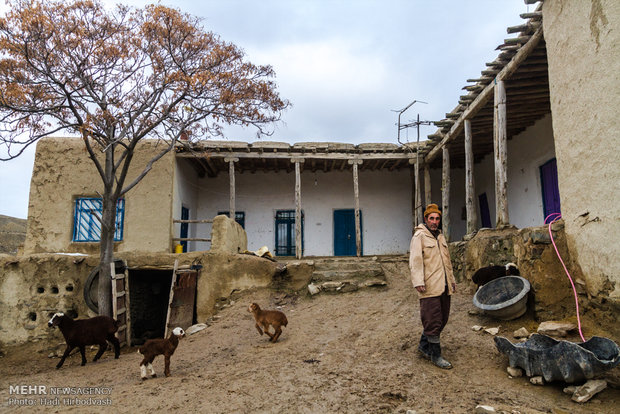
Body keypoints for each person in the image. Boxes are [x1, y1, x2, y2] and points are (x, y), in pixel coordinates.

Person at [409, 203, 456, 369]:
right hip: (429, 286)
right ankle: (436, 355)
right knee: (433, 320)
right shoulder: (419, 237)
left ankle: (423, 346)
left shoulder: (440, 237)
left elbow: (447, 262)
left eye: (437, 218)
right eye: (431, 218)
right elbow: (415, 262)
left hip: (443, 285)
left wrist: (451, 280)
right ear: (426, 219)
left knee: (443, 319)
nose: (435, 221)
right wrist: (418, 282)